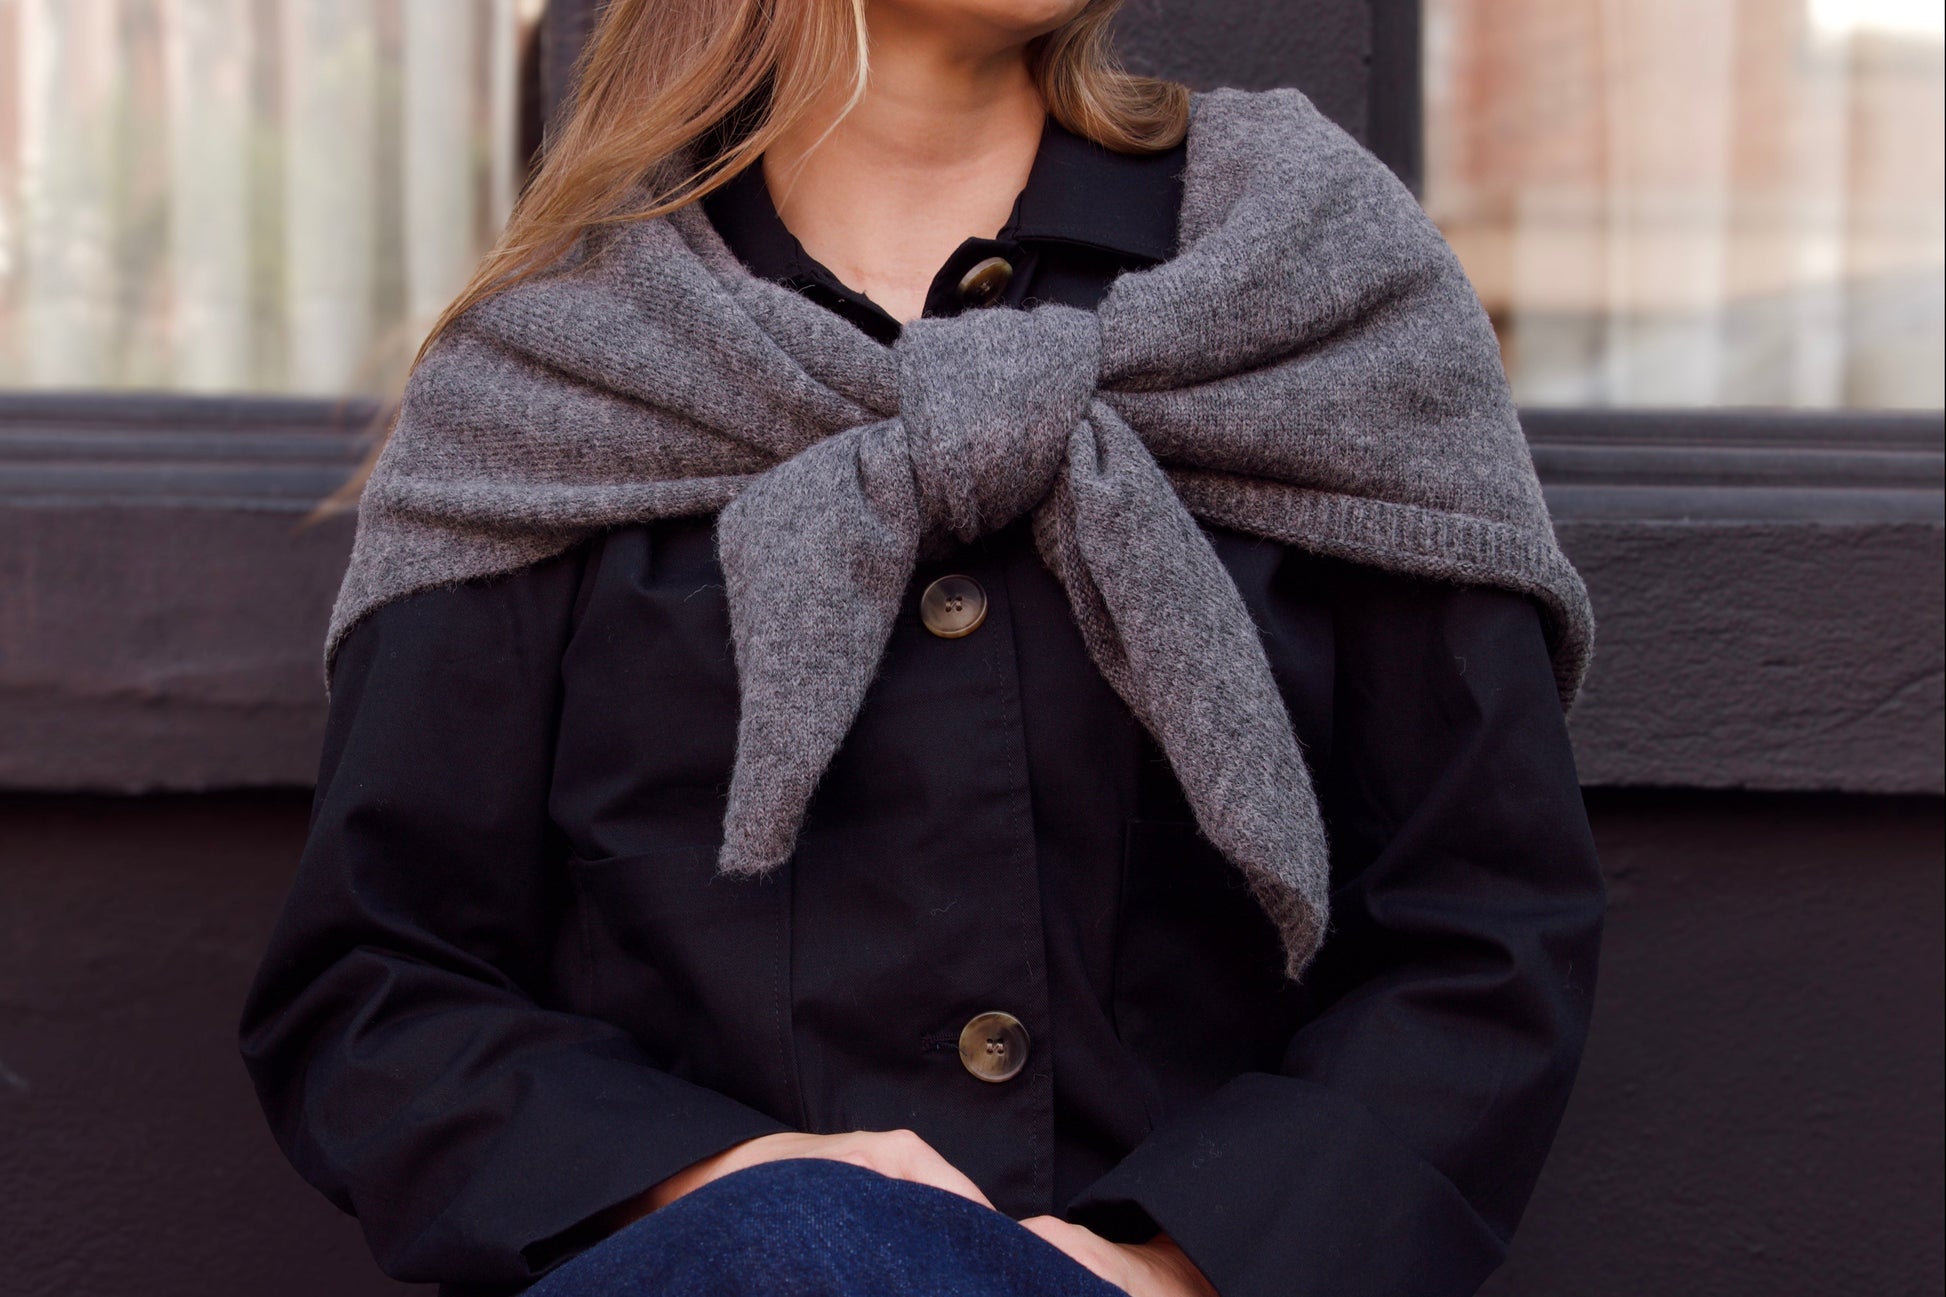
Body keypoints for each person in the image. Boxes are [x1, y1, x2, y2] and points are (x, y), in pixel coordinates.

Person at [239, 2, 1606, 1296]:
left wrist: (1181, 1261)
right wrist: (734, 1188)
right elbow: (380, 990)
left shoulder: (1305, 271)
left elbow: (1481, 928)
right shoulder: (559, 366)